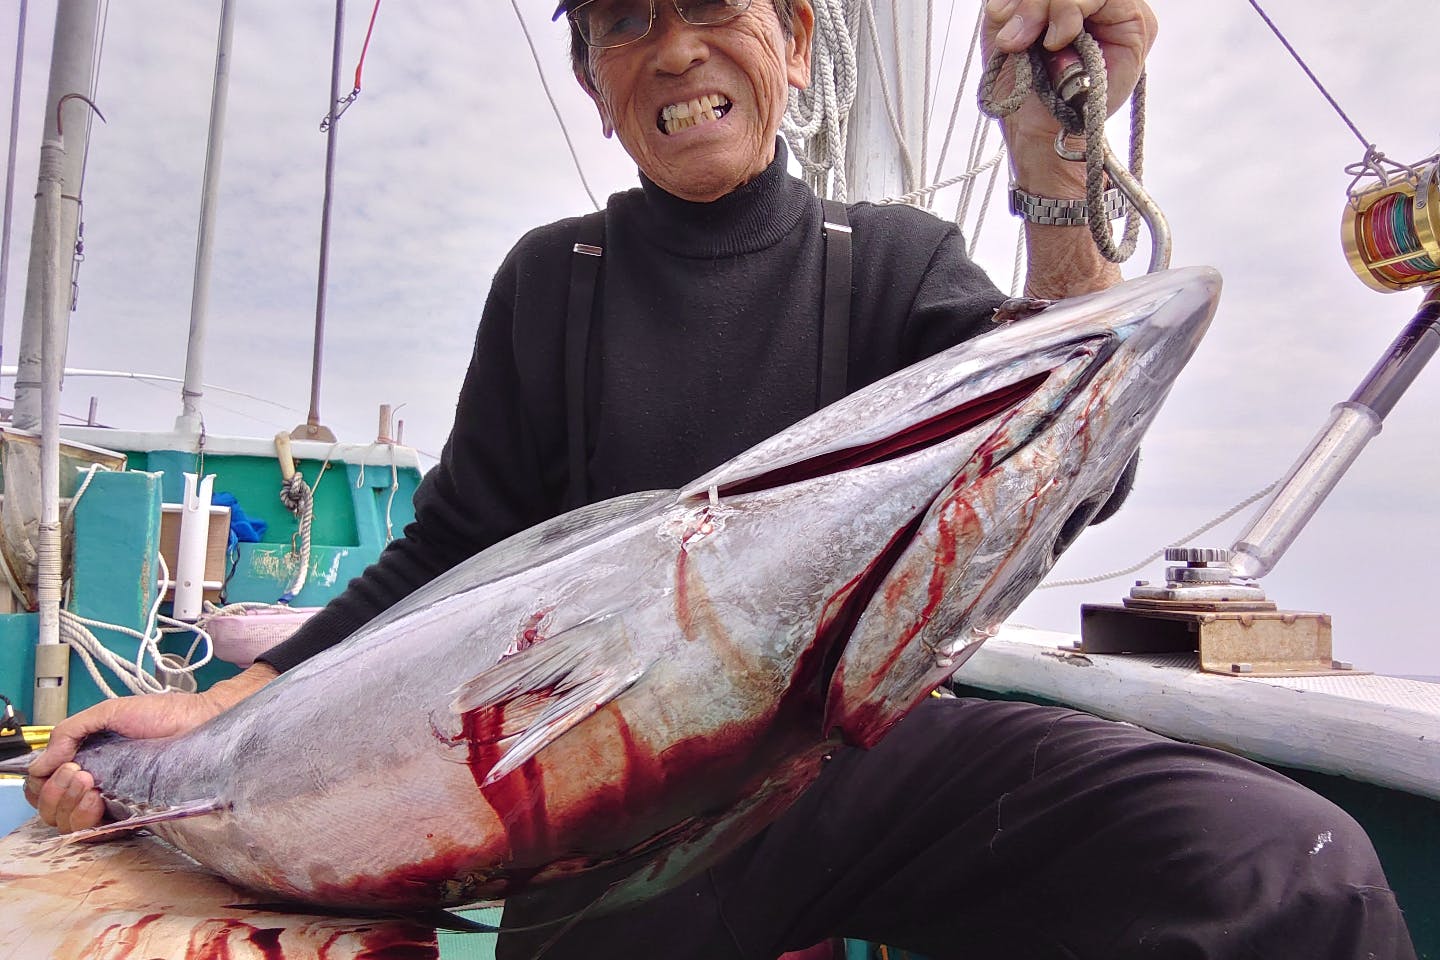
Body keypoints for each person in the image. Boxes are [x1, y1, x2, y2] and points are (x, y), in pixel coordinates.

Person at [25, 1, 1417, 957]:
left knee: (1283, 868)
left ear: (796, 40)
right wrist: (210, 711)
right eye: (624, 20)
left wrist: (1052, 163)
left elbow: (1056, 461)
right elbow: (443, 551)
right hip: (598, 817)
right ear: (592, 81)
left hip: (852, 756)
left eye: (714, 5)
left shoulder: (894, 259)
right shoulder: (550, 282)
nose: (675, 49)